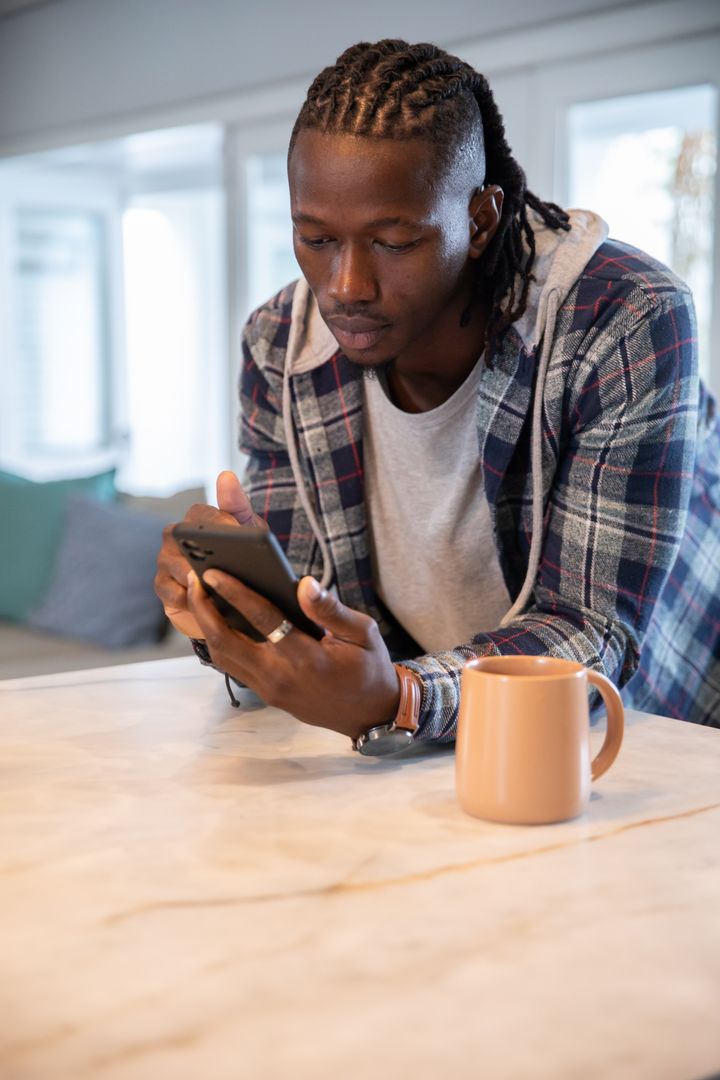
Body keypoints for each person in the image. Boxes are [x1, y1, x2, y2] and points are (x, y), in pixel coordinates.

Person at [155, 39, 720, 751]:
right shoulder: (278, 343)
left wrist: (403, 698)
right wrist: (231, 606)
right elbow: (314, 606)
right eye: (317, 238)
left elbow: (593, 627)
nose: (346, 285)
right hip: (439, 746)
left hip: (657, 736)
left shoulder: (624, 319)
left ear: (480, 220)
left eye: (394, 241)